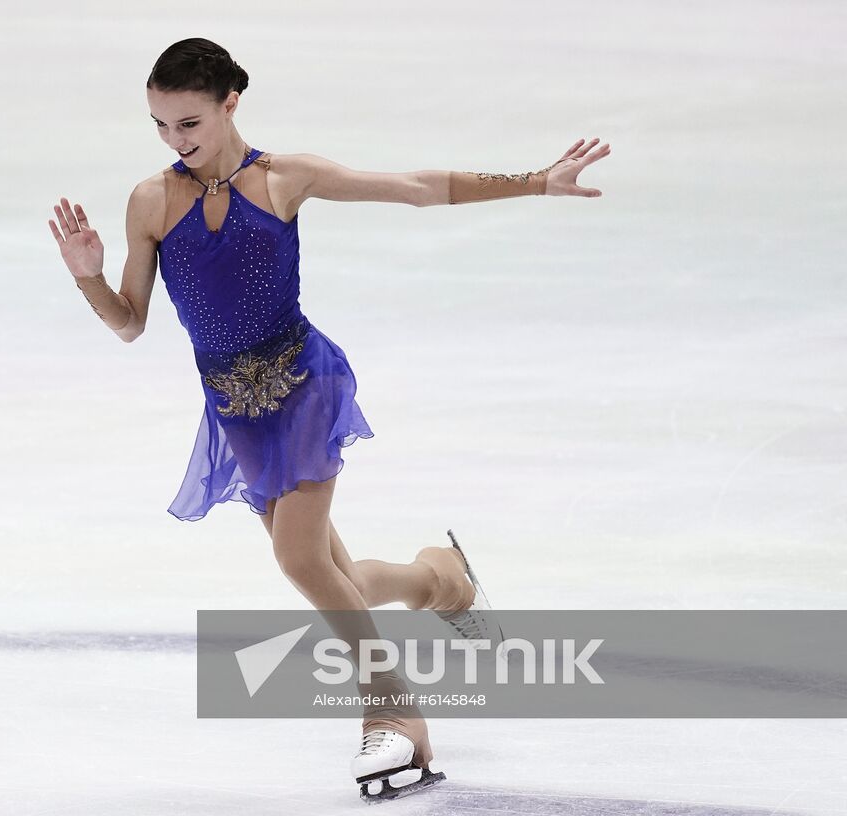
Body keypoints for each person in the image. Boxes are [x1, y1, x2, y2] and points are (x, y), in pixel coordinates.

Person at [47, 37, 610, 801]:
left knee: (301, 563)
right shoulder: (151, 201)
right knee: (332, 572)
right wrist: (87, 276)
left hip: (304, 384)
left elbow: (413, 186)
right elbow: (129, 322)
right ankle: (438, 581)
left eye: (189, 122)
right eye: (160, 125)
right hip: (235, 411)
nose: (176, 141)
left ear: (229, 104)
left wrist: (538, 181)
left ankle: (395, 715)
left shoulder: (284, 177)